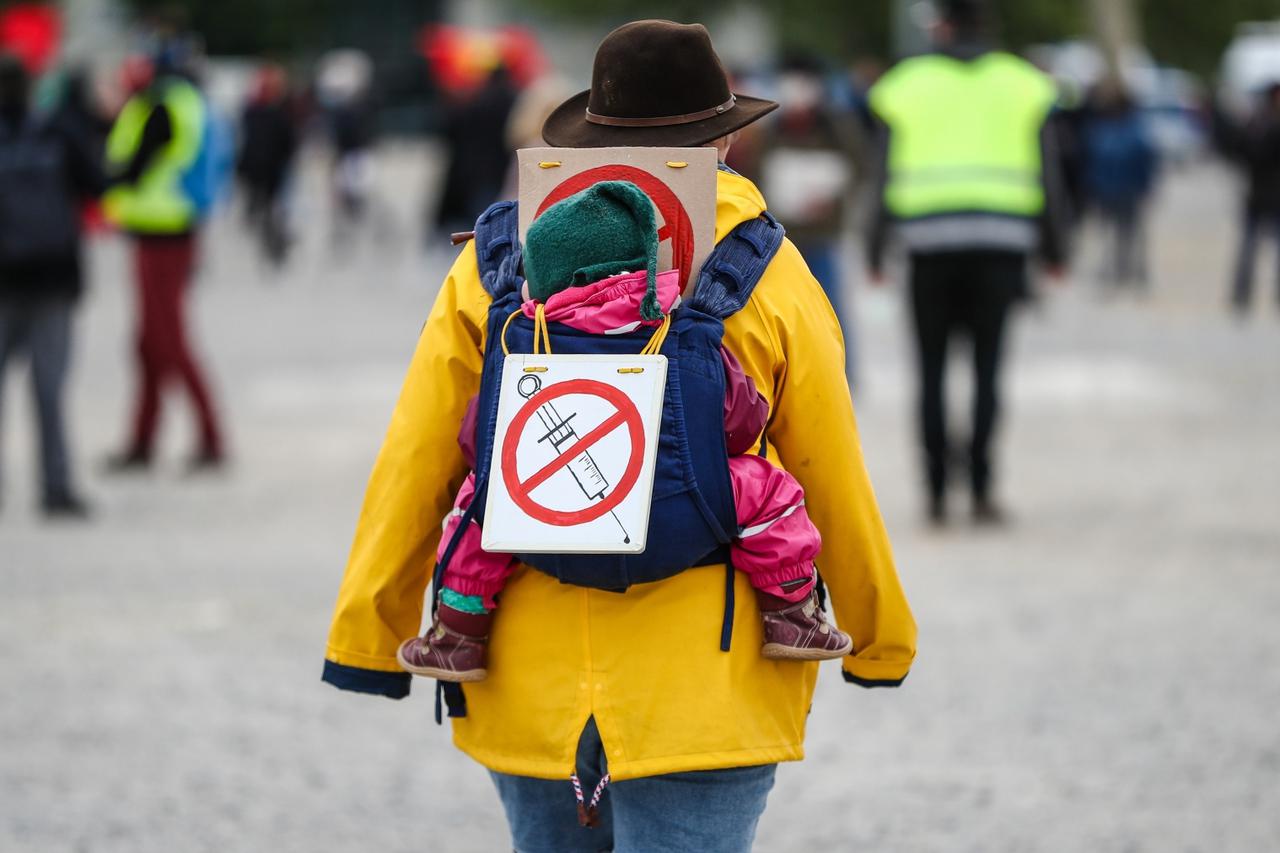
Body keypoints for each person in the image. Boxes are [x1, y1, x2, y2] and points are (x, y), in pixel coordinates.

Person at [323, 20, 915, 852]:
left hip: (525, 669)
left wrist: (368, 636)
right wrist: (879, 636)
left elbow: (419, 455)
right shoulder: (768, 270)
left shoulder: (496, 262)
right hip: (709, 677)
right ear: (727, 142)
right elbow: (829, 467)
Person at [396, 180, 852, 683]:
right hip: (682, 522)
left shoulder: (520, 340)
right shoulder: (681, 329)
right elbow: (742, 422)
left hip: (544, 526)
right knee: (769, 489)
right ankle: (789, 614)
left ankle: (460, 633)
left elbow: (474, 438)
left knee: (477, 505)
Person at [866, 0, 1068, 525]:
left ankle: (935, 493)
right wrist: (1055, 249)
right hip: (1001, 247)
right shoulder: (1026, 84)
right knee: (987, 369)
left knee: (930, 371)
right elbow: (1050, 174)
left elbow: (881, 174)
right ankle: (980, 489)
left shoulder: (905, 84)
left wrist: (874, 246)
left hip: (928, 248)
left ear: (944, 25)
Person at [102, 47, 224, 471]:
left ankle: (210, 438)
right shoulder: (178, 102)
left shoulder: (162, 107)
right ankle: (143, 438)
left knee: (168, 342)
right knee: (150, 344)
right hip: (163, 232)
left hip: (163, 235)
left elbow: (132, 168)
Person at [0, 54, 103, 517]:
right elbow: (98, 186)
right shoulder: (58, 132)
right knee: (50, 391)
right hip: (54, 279)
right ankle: (55, 487)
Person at [754, 54, 866, 349]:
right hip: (779, 237)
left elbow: (858, 168)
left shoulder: (836, 127)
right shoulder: (771, 131)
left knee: (828, 305)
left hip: (822, 235)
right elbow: (754, 176)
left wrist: (831, 196)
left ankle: (839, 371)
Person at [1081, 82, 1158, 291]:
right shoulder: (1135, 129)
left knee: (1111, 232)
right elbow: (1147, 160)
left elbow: (1092, 160)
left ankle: (1115, 270)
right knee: (1127, 233)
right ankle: (1126, 270)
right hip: (1126, 189)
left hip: (1110, 189)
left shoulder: (1101, 129)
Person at [1221, 82, 1280, 315]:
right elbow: (1241, 152)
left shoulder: (1260, 124)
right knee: (1248, 248)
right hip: (1258, 193)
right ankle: (1242, 295)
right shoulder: (1259, 124)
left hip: (1269, 194)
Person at [236, 63, 298, 268]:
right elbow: (288, 143)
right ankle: (273, 245)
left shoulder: (255, 113)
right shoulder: (273, 113)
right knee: (270, 211)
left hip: (264, 171)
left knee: (269, 211)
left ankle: (274, 245)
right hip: (267, 171)